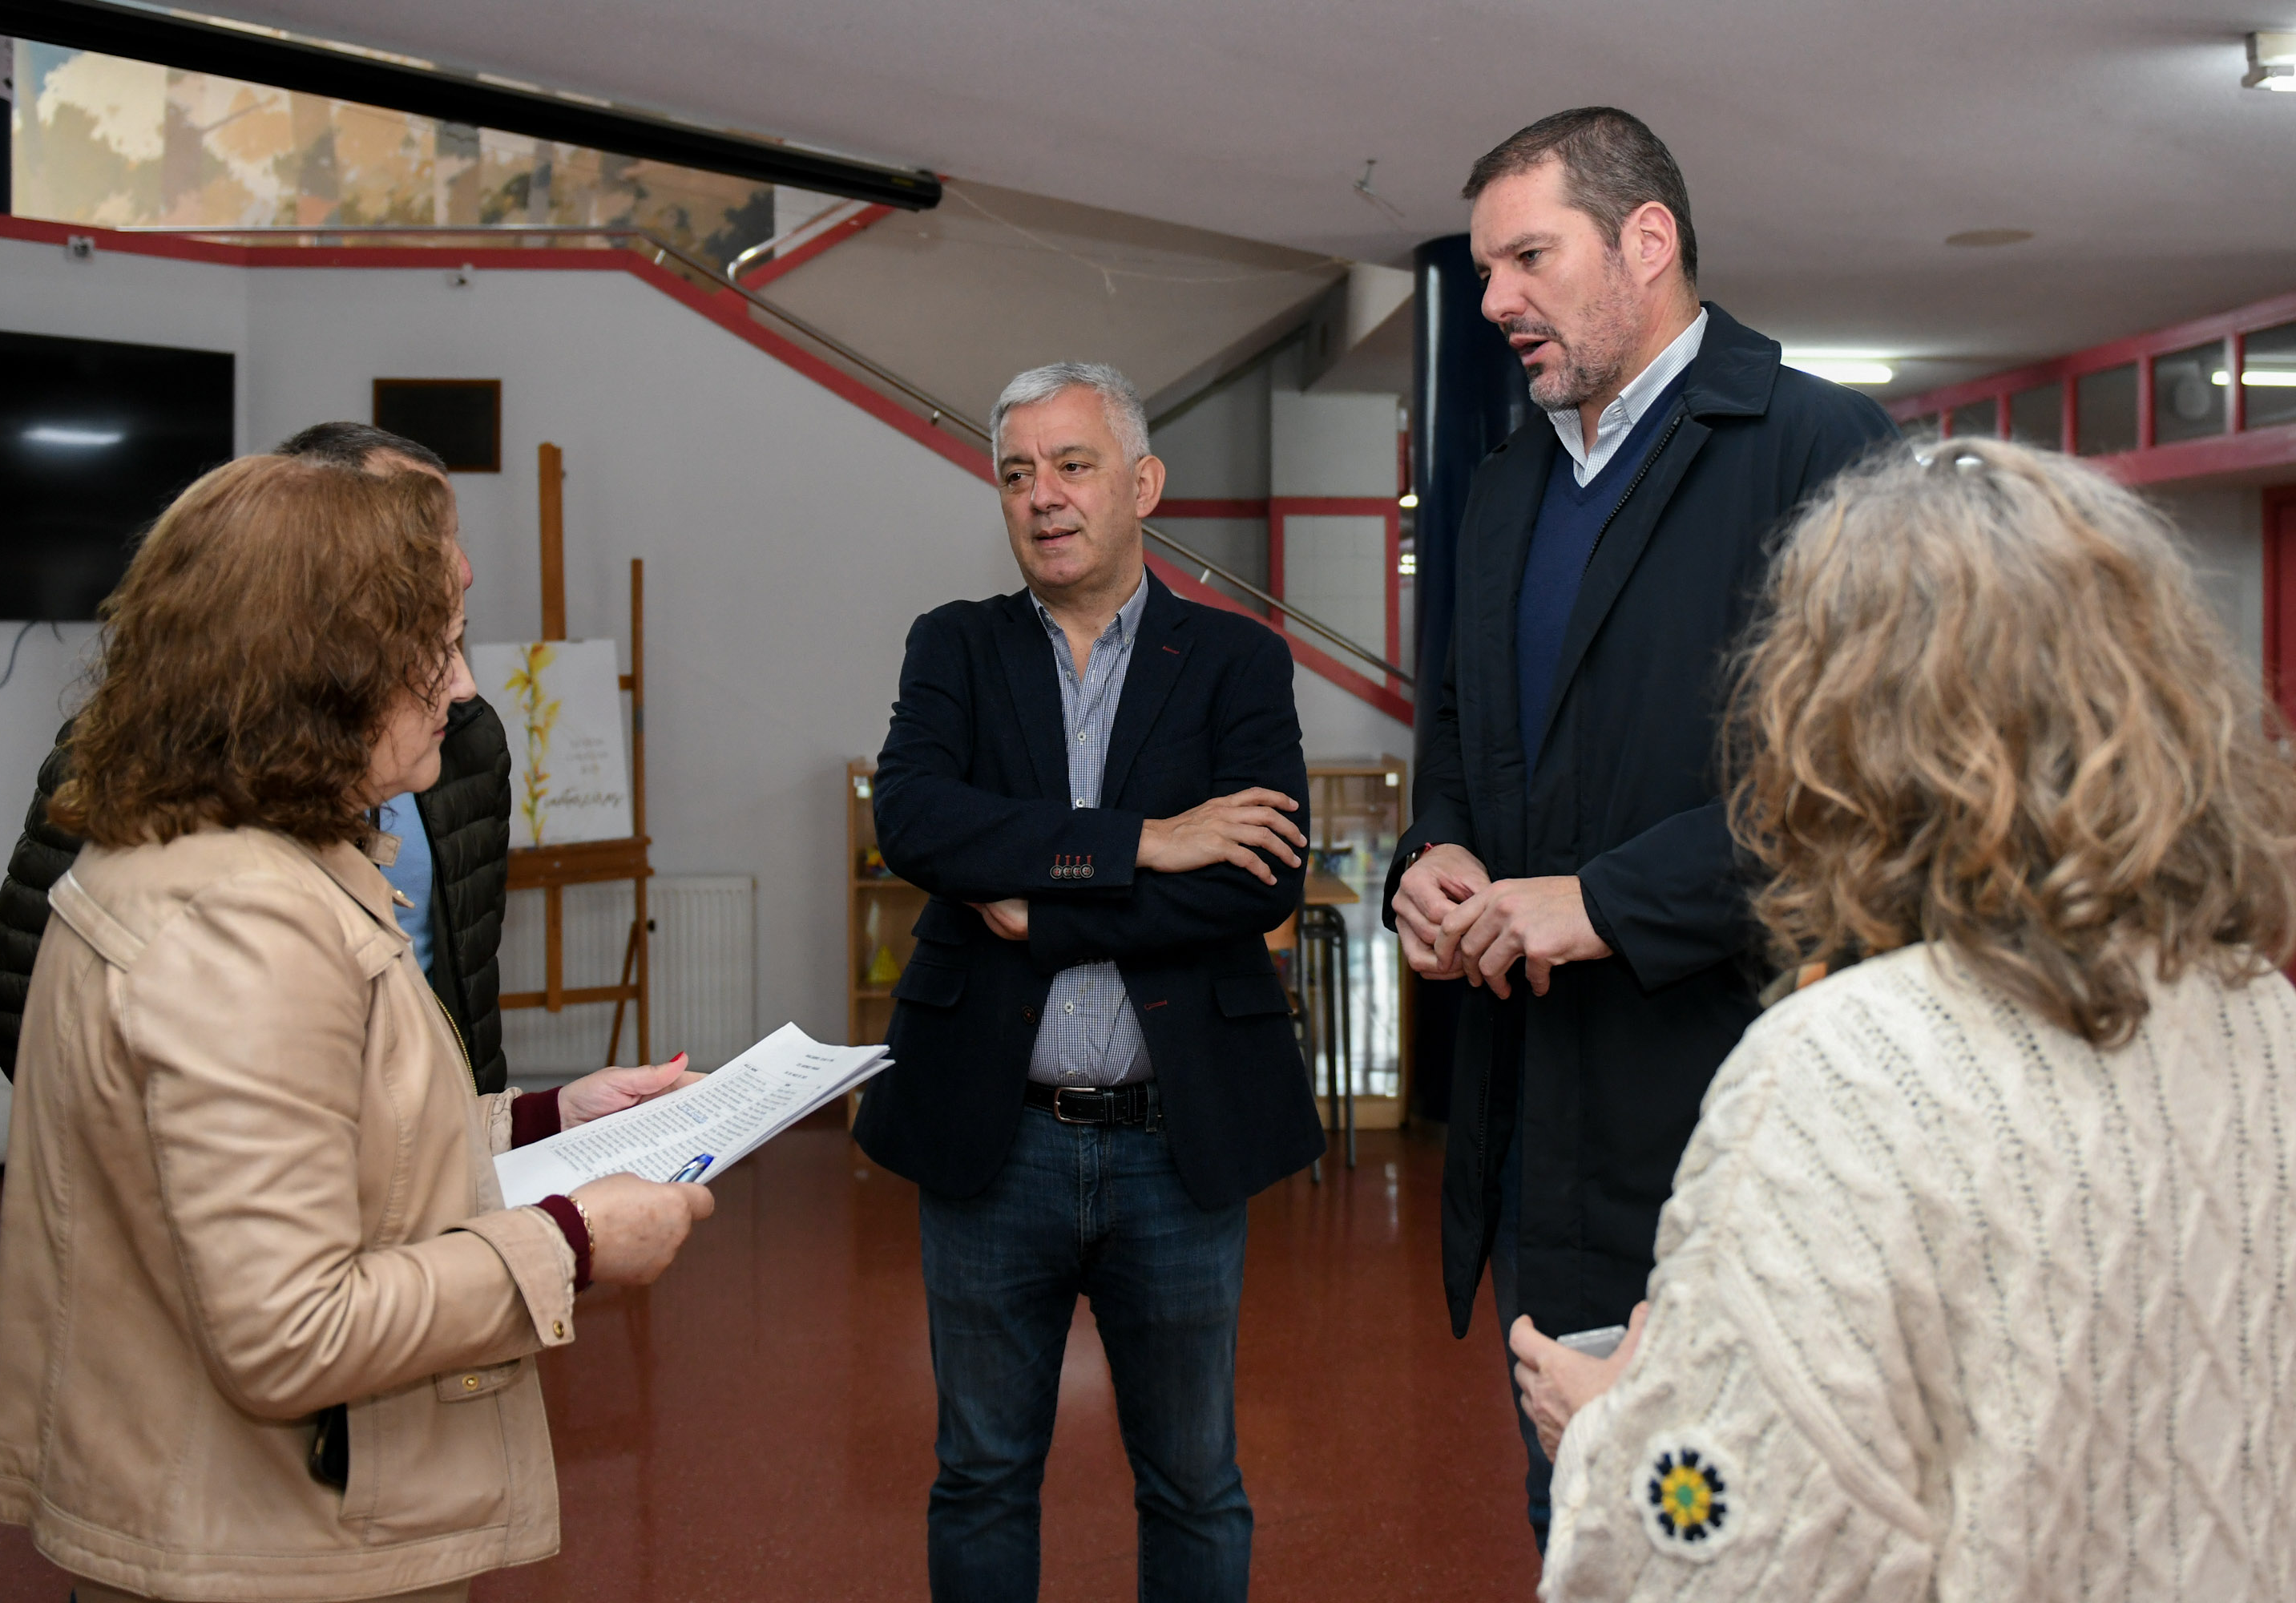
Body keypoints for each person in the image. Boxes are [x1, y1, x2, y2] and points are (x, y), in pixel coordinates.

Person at [1511, 438, 2296, 1598]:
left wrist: (1605, 1432)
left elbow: (1714, 1544)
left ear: (1833, 720)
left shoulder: (1845, 1065)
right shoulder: (2259, 1010)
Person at [0, 456, 712, 1602]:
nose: (464, 689)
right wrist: (574, 1240)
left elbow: (321, 1139)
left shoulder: (208, 853)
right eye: (439, 650)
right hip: (265, 1545)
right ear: (326, 673)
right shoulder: (243, 919)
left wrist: (547, 1118)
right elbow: (291, 1330)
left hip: (246, 1514)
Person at [1380, 106, 1899, 1544]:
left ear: (1647, 241)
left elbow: (1867, 785)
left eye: (1529, 258)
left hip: (1736, 1135)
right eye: (1485, 271)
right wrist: (1433, 860)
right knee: (1583, 1524)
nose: (1495, 301)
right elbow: (1458, 742)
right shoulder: (1506, 486)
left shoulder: (1823, 448)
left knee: (1725, 1537)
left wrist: (1602, 900)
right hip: (1535, 1139)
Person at [857, 361, 1321, 1601]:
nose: (1043, 496)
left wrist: (1042, 907)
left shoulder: (1236, 661)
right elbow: (916, 821)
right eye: (1017, 473)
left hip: (1177, 1141)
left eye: (1073, 465)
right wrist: (1144, 843)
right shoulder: (956, 646)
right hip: (990, 1136)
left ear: (1143, 484)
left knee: (1194, 1482)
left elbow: (1258, 879)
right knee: (980, 1475)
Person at [0, 422, 518, 1093]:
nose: (461, 566)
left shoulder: (465, 737)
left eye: (449, 532)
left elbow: (466, 986)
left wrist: (494, 1125)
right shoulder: (144, 761)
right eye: (414, 534)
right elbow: (27, 1006)